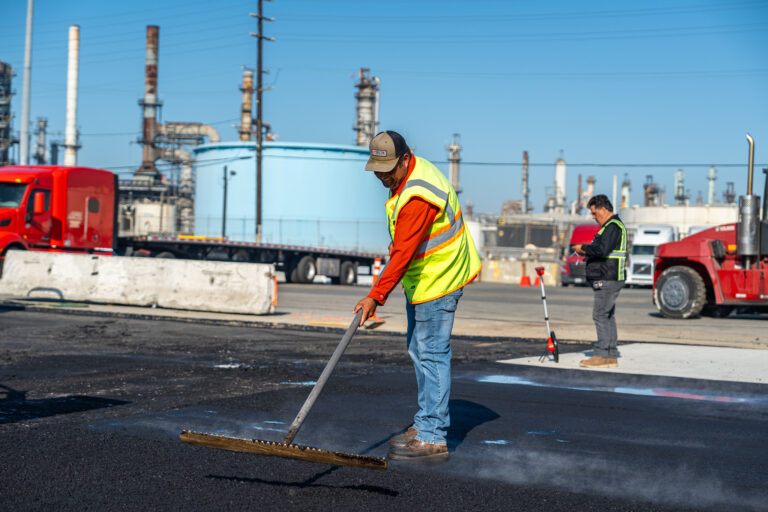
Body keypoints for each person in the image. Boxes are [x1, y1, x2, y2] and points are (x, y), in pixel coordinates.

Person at [354, 130, 481, 461]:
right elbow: (404, 245)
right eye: (377, 171)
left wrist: (375, 297)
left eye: (388, 170)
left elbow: (402, 254)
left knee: (432, 353)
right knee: (419, 350)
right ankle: (426, 422)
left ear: (405, 160)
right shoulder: (408, 176)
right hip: (424, 279)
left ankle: (433, 436)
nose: (382, 177)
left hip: (439, 279)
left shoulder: (417, 196)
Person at [572, 194, 628, 368]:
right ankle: (610, 356)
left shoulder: (612, 226)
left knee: (600, 315)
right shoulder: (612, 227)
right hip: (610, 276)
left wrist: (583, 248)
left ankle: (602, 355)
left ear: (603, 209)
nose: (594, 217)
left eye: (595, 213)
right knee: (608, 315)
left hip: (608, 277)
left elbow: (602, 249)